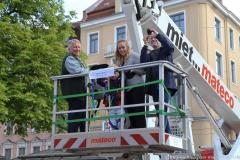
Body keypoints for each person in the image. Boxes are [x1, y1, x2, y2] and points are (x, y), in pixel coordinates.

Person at [140, 29, 177, 133]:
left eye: (155, 38)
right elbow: (143, 63)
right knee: (159, 111)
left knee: (162, 110)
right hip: (154, 87)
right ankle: (167, 134)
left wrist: (158, 35)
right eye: (151, 39)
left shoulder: (165, 50)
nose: (153, 39)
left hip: (165, 85)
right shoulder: (151, 54)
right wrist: (145, 45)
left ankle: (160, 132)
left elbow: (170, 47)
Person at [115, 40, 146, 129]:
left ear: (127, 47)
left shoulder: (134, 55)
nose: (121, 50)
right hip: (127, 89)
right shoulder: (121, 60)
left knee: (138, 113)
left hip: (137, 87)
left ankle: (141, 132)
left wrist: (132, 70)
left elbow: (144, 70)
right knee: (131, 113)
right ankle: (135, 133)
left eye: (123, 47)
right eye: (119, 48)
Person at [60, 39, 87, 133]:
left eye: (79, 47)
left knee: (83, 117)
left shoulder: (77, 59)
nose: (77, 49)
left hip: (80, 94)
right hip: (74, 94)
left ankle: (83, 136)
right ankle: (71, 137)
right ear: (69, 49)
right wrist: (93, 73)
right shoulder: (69, 58)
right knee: (75, 118)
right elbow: (78, 71)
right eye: (75, 47)